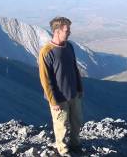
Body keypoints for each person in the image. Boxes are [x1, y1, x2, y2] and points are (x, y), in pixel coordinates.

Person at [38, 17, 83, 156]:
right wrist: (53, 100)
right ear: (57, 31)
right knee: (61, 126)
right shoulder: (46, 52)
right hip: (59, 98)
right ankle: (63, 150)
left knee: (77, 122)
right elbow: (45, 79)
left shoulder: (69, 46)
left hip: (73, 94)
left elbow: (74, 68)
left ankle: (75, 144)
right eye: (66, 30)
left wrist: (79, 88)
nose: (69, 32)